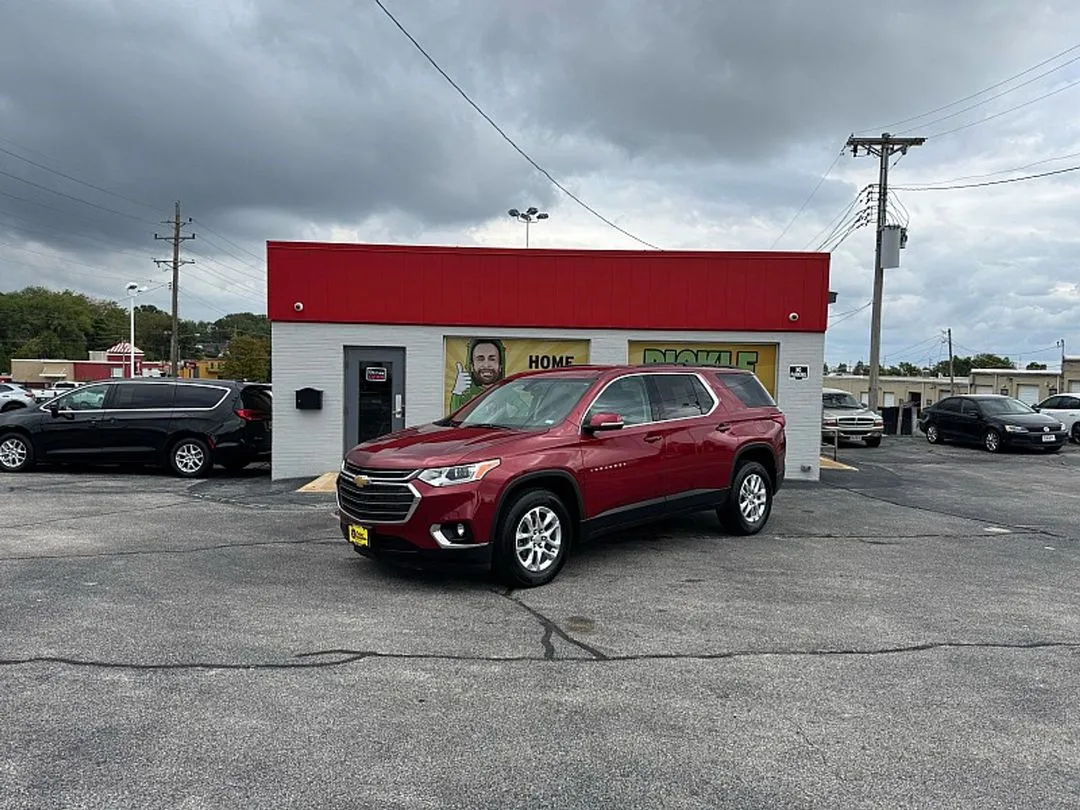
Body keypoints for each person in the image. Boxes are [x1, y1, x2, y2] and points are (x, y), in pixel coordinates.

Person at [449, 338, 506, 412]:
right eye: (480, 359)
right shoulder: (467, 396)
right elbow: (455, 420)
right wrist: (457, 393)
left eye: (492, 359)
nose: (486, 365)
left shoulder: (508, 393)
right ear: (472, 366)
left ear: (500, 366)